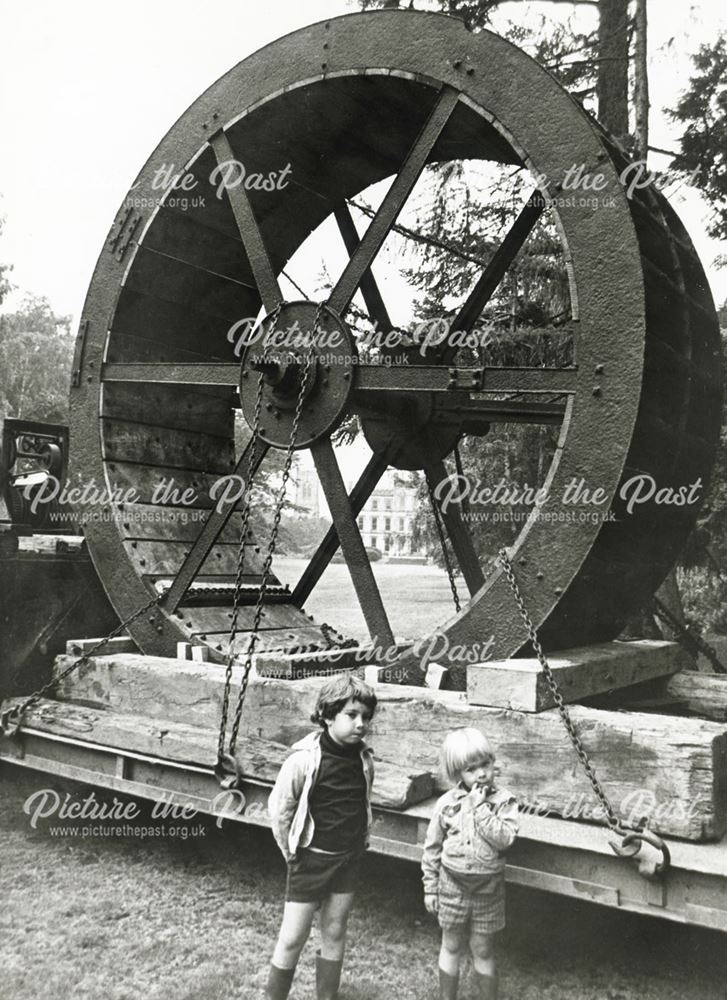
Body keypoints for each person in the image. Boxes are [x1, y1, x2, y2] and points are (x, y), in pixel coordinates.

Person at [266, 672, 377, 1000]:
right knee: (292, 938)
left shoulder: (363, 759)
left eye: (366, 717)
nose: (361, 724)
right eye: (352, 715)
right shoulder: (303, 760)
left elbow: (362, 804)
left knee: (334, 929)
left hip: (347, 859)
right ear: (328, 715)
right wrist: (291, 851)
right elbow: (280, 810)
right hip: (311, 861)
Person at [421, 727, 519, 1000]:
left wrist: (480, 808)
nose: (481, 774)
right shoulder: (446, 804)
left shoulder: (504, 801)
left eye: (485, 764)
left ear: (493, 762)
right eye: (471, 769)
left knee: (483, 949)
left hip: (488, 889)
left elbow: (505, 839)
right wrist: (430, 888)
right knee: (450, 945)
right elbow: (432, 849)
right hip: (452, 886)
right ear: (457, 774)